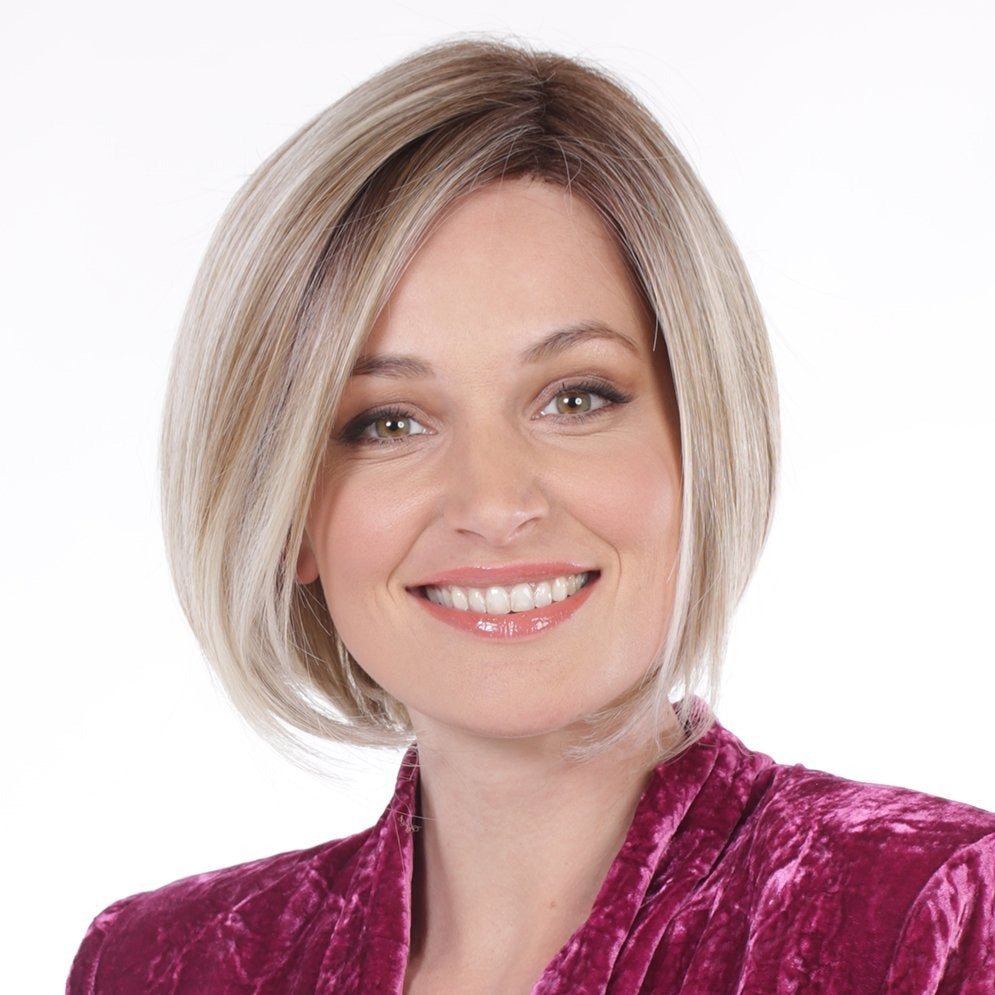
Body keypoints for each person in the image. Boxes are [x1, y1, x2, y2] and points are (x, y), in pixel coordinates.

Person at [67, 39, 994, 994]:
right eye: (387, 422)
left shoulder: (932, 913)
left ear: (702, 443)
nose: (495, 504)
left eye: (576, 398)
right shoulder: (158, 967)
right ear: (287, 509)